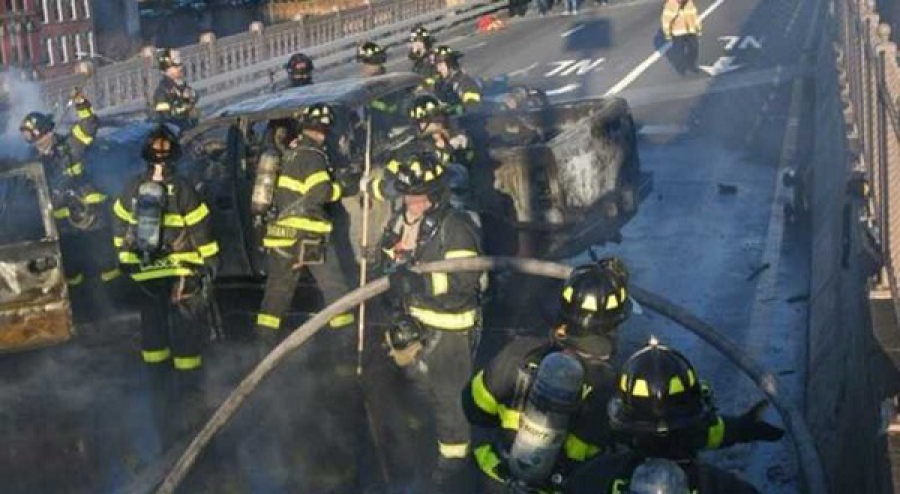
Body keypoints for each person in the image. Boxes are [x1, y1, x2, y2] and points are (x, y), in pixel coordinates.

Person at [462, 261, 785, 493]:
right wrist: (740, 428)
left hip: (499, 481)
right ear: (615, 325)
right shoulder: (611, 387)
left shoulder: (517, 354)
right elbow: (669, 433)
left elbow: (473, 408)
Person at [380, 150, 484, 493]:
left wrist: (419, 283)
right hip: (413, 327)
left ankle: (453, 475)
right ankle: (420, 457)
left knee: (449, 405)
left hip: (450, 331)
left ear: (438, 196)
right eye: (408, 197)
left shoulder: (457, 228)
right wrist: (388, 254)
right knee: (415, 397)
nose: (412, 205)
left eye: (420, 198)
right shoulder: (402, 221)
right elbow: (390, 264)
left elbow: (466, 284)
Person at [563, 339, 779, 493]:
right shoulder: (723, 487)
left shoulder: (592, 478)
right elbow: (706, 433)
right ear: (695, 417)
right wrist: (742, 428)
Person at [111, 125, 220, 375]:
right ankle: (190, 387)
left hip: (146, 271)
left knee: (153, 328)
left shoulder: (132, 188)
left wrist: (125, 261)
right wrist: (211, 261)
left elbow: (119, 226)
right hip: (181, 272)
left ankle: (159, 388)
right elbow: (200, 228)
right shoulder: (182, 188)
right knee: (185, 330)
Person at [254, 103, 357, 344]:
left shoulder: (291, 152)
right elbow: (320, 192)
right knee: (335, 290)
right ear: (324, 131)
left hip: (280, 236)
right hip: (308, 237)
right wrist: (343, 187)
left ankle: (263, 349)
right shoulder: (313, 155)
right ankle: (346, 348)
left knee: (276, 296)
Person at [19, 91, 119, 292]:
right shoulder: (34, 162)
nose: (35, 143)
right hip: (63, 227)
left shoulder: (71, 146)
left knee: (104, 262)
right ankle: (81, 302)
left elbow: (90, 124)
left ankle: (116, 296)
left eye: (35, 137)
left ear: (46, 132)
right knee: (73, 269)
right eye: (30, 139)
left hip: (91, 219)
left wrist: (81, 105)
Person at [152, 48, 199, 132]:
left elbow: (195, 95)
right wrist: (187, 106)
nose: (180, 68)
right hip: (175, 133)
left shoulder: (179, 85)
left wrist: (191, 96)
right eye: (176, 66)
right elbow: (166, 116)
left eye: (180, 65)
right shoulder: (162, 92)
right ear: (166, 70)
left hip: (189, 129)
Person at [432, 46, 483, 115]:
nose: (438, 69)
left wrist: (452, 110)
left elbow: (473, 107)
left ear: (451, 64)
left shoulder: (465, 82)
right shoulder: (440, 84)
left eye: (440, 65)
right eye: (436, 66)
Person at [661, 0, 702, 75]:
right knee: (679, 52)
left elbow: (695, 16)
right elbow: (666, 20)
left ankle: (691, 64)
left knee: (694, 48)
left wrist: (698, 28)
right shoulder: (670, 4)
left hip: (690, 30)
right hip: (677, 32)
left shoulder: (689, 3)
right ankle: (682, 68)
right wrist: (667, 33)